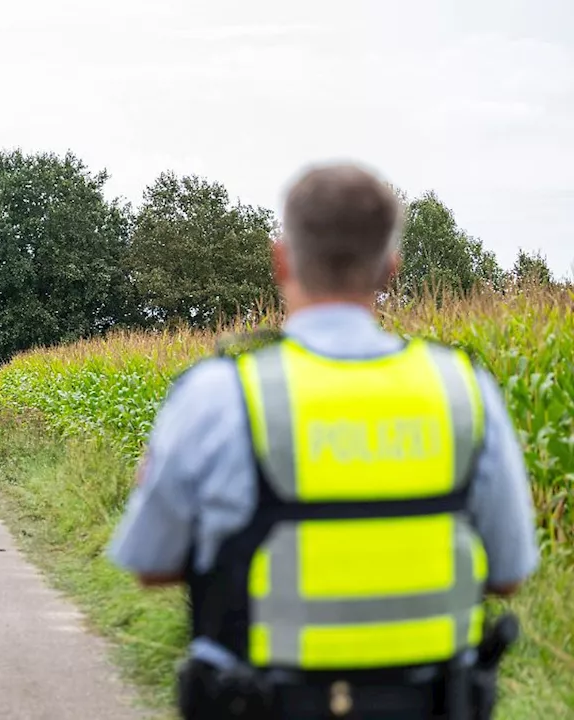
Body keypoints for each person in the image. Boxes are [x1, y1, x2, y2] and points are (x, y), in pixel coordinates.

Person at [106, 163, 539, 719]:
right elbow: (509, 573)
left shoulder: (220, 396)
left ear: (281, 259)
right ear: (391, 269)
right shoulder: (464, 391)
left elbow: (150, 564)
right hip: (429, 704)